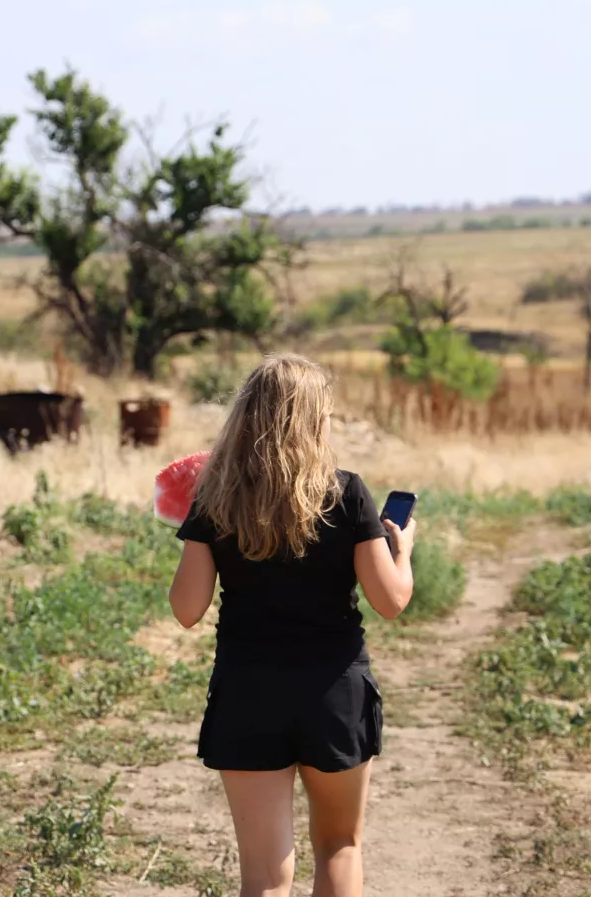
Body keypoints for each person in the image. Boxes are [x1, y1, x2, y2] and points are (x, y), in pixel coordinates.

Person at [168, 354, 417, 897]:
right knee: (340, 848)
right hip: (333, 694)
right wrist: (405, 551)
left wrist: (195, 532)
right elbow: (391, 601)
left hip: (248, 693)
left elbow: (186, 609)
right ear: (314, 419)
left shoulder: (215, 500)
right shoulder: (347, 493)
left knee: (263, 875)